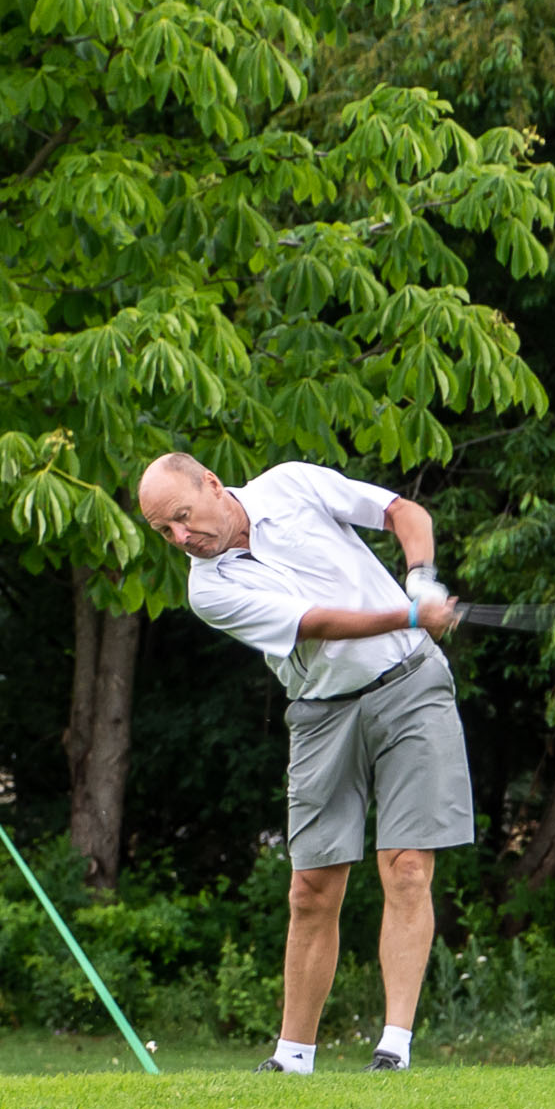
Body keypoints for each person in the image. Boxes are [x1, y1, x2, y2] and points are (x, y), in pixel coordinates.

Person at [135, 452, 467, 1072]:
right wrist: (412, 612)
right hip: (322, 712)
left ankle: (393, 1049)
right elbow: (316, 625)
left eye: (181, 517)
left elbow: (401, 511)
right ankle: (294, 1057)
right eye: (164, 532)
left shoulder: (290, 485)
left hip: (410, 685)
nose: (181, 538)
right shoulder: (209, 588)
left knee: (407, 868)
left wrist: (420, 578)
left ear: (212, 483)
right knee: (312, 887)